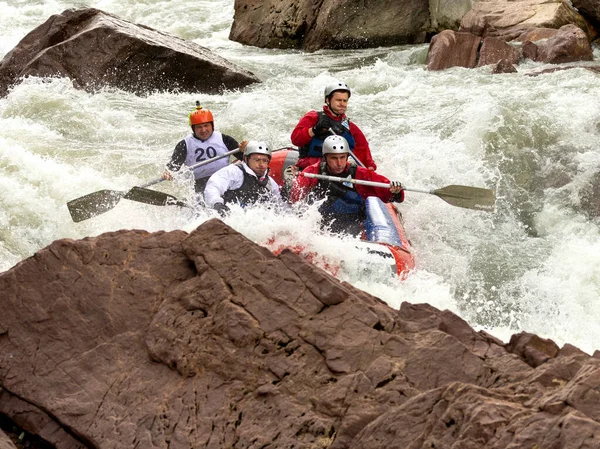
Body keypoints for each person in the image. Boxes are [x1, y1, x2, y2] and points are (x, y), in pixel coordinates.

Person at [290, 135, 403, 235]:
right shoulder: (313, 172)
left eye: (342, 157)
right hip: (320, 225)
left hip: (351, 226)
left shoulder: (359, 173)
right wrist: (290, 183)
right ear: (325, 158)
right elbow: (295, 197)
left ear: (347, 156)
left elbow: (386, 191)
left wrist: (395, 191)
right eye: (334, 158)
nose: (339, 163)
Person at [290, 80, 377, 172]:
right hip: (309, 169)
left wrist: (369, 167)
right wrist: (314, 130)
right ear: (328, 100)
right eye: (338, 100)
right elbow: (295, 139)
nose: (342, 104)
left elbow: (363, 149)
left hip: (337, 170)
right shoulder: (313, 117)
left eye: (345, 101)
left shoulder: (350, 127)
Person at [162, 102, 243, 193]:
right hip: (200, 184)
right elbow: (173, 167)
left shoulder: (225, 139)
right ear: (193, 128)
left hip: (224, 179)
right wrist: (168, 172)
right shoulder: (184, 145)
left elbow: (245, 157)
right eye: (199, 127)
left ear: (212, 125)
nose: (203, 130)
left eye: (206, 126)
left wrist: (245, 150)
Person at [204, 140, 282, 216]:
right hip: (227, 217)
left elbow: (281, 208)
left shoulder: (270, 183)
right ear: (246, 159)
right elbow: (213, 186)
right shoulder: (233, 172)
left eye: (265, 160)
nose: (261, 164)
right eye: (257, 160)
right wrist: (217, 204)